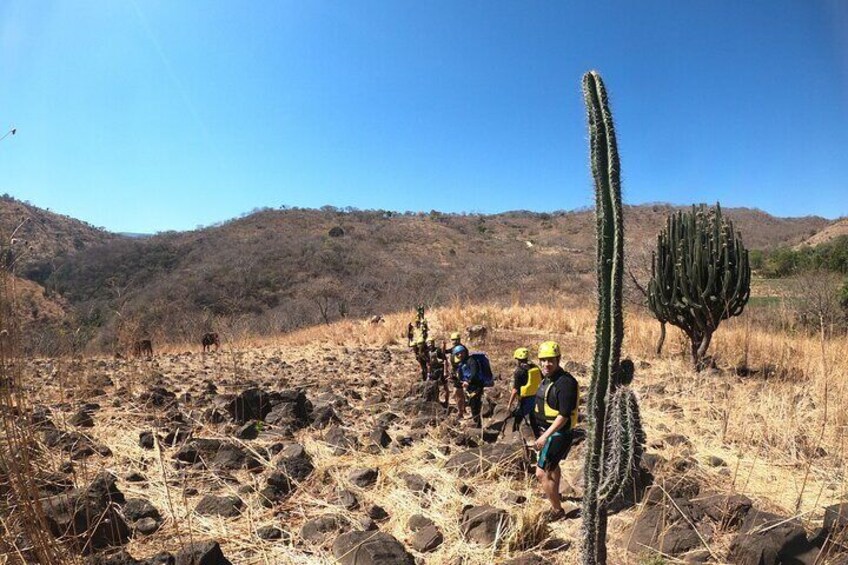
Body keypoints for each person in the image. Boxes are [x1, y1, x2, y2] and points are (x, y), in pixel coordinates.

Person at [532, 340, 579, 522]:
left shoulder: (565, 383)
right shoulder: (548, 378)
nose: (546, 364)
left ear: (558, 359)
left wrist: (545, 436)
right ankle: (556, 494)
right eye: (543, 360)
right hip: (549, 432)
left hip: (557, 434)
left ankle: (557, 510)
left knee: (541, 472)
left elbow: (564, 415)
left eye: (550, 360)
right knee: (552, 466)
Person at [505, 347, 542, 436]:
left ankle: (515, 436)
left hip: (525, 399)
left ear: (518, 359)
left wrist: (509, 405)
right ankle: (537, 435)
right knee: (533, 418)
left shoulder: (519, 371)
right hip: (536, 396)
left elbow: (515, 390)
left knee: (517, 417)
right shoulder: (534, 367)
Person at [453, 345, 484, 428]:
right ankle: (477, 425)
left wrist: (468, 381)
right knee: (473, 406)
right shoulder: (462, 363)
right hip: (469, 388)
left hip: (476, 387)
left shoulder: (471, 361)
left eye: (461, 353)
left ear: (465, 352)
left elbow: (474, 373)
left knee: (475, 407)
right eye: (458, 354)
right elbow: (461, 377)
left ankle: (478, 427)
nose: (460, 355)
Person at [425, 337, 450, 406]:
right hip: (433, 370)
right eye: (429, 344)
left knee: (445, 386)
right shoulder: (428, 352)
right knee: (434, 386)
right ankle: (436, 400)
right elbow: (428, 364)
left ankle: (447, 401)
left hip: (440, 369)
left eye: (431, 344)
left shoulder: (438, 350)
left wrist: (445, 371)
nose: (430, 346)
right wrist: (428, 373)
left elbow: (445, 360)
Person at [447, 332, 466, 416]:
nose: (453, 341)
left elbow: (464, 361)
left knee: (456, 393)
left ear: (458, 340)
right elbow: (446, 351)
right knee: (460, 392)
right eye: (452, 340)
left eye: (455, 340)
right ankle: (463, 408)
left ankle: (460, 412)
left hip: (460, 373)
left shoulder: (462, 349)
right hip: (455, 373)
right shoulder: (454, 348)